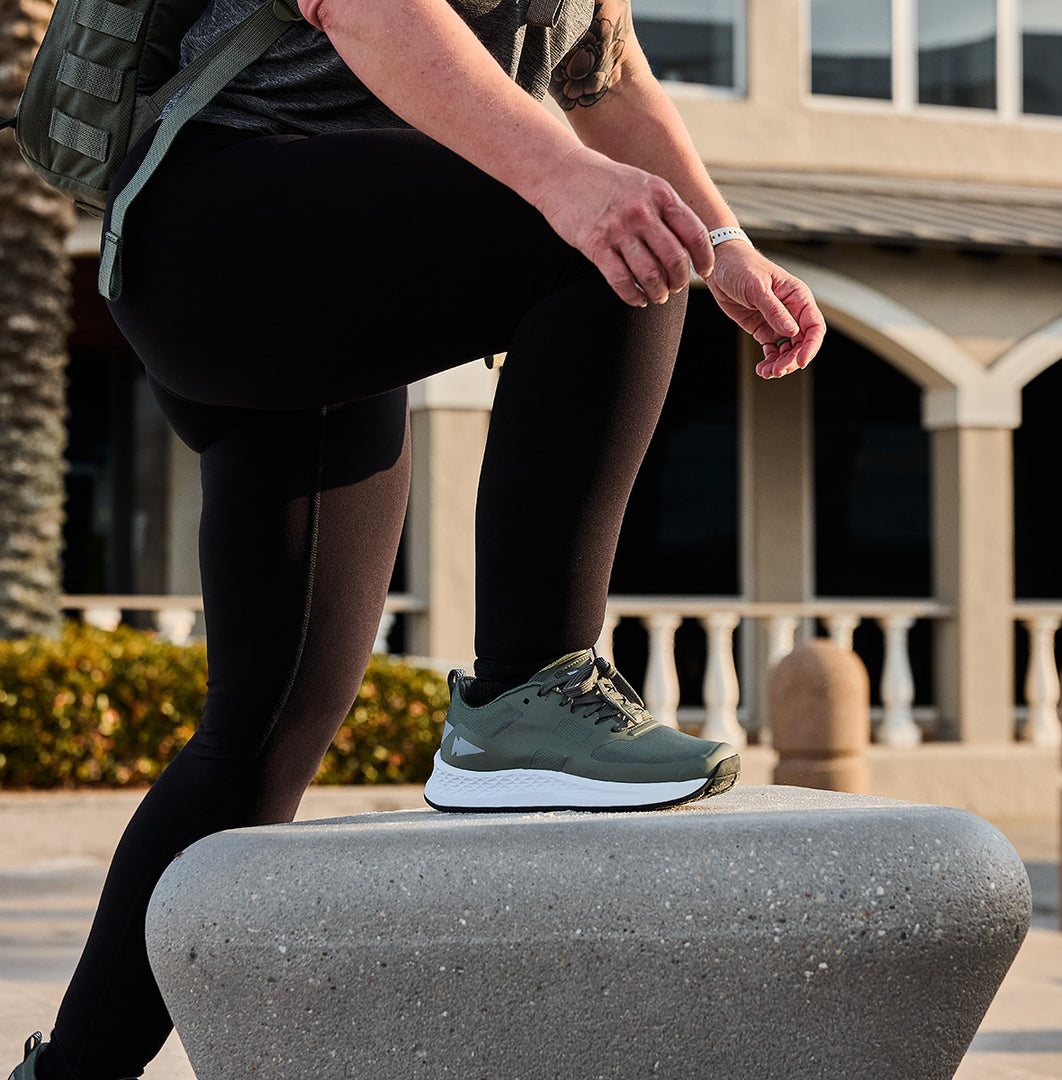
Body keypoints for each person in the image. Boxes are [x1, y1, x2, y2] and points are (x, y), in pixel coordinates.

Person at [8, 0, 825, 1077]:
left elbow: (604, 79)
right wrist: (572, 186)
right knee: (613, 236)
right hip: (219, 218)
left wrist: (727, 246)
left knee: (265, 730)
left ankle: (71, 1074)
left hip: (323, 265)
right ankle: (527, 694)